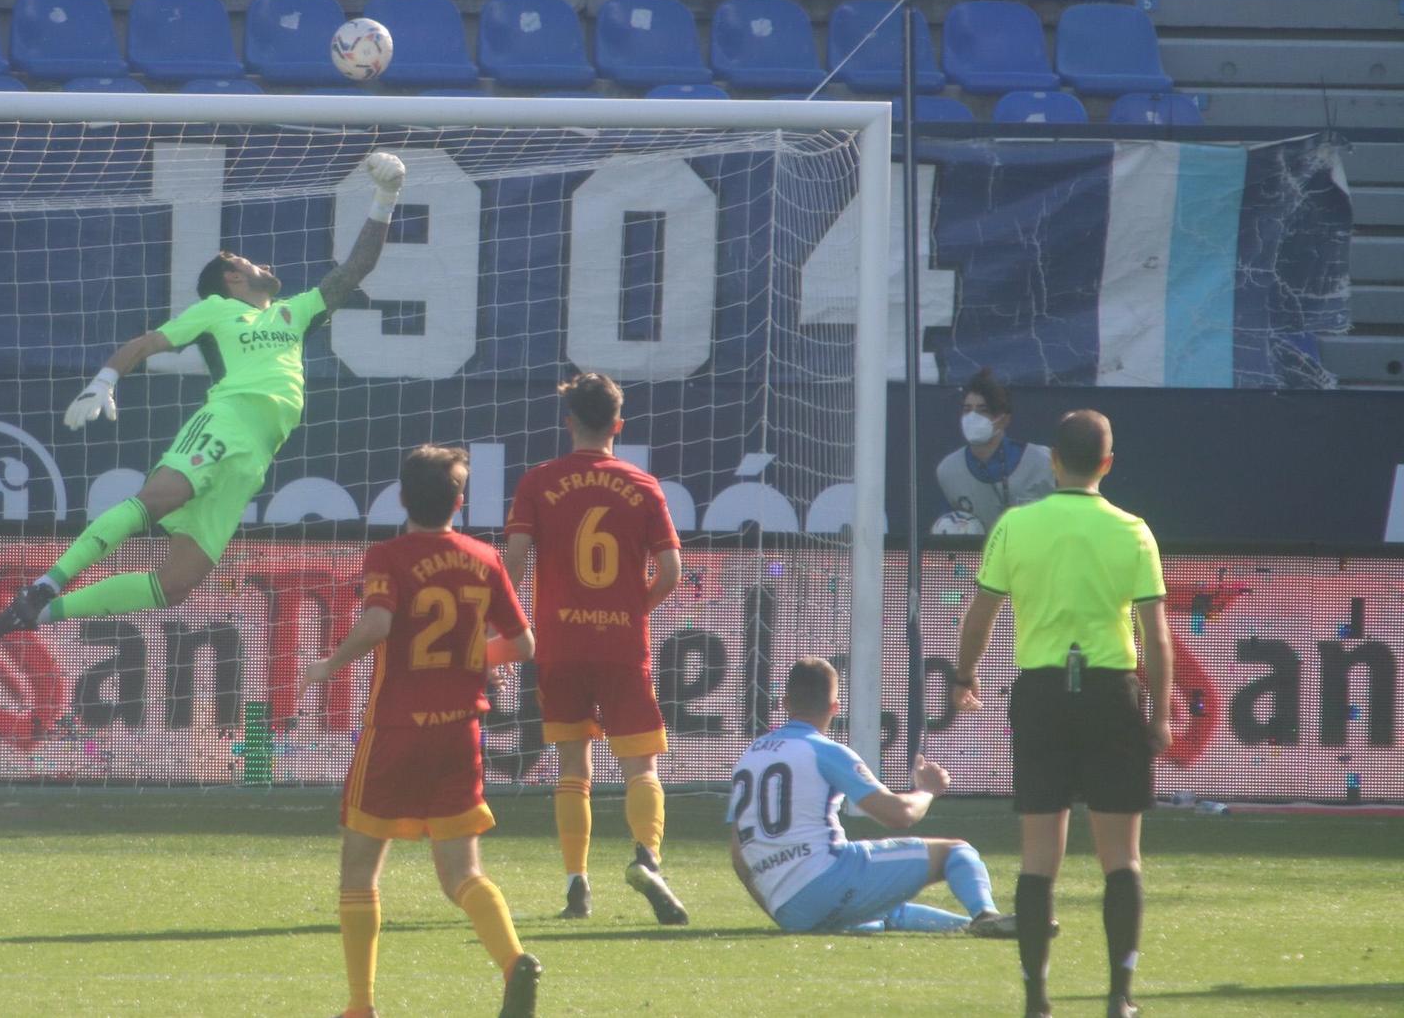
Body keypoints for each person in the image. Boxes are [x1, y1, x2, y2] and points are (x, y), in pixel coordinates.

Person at [0, 151, 408, 643]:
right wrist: (103, 381)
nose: (265, 265)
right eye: (251, 262)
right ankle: (46, 582)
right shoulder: (216, 310)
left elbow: (354, 269)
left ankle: (42, 613)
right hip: (226, 420)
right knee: (161, 497)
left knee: (174, 586)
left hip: (255, 457)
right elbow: (148, 342)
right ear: (232, 276)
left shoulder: (296, 313)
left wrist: (386, 197)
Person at [299, 445, 543, 1018]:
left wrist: (328, 665)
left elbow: (379, 622)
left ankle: (361, 1005)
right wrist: (479, 656)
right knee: (463, 874)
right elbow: (525, 645)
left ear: (402, 498)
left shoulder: (388, 555)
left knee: (359, 867)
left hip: (395, 731)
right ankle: (513, 961)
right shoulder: (486, 558)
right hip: (461, 733)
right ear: (460, 502)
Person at [954, 408, 1173, 1018]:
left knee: (1037, 858)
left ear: (1052, 462)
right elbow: (1157, 638)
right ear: (1107, 463)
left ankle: (1036, 1000)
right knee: (1122, 860)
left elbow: (980, 615)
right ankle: (1119, 997)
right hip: (1111, 694)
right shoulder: (1133, 530)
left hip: (1043, 695)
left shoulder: (1016, 526)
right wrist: (1158, 714)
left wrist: (964, 677)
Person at [503, 372, 688, 925]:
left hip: (558, 647)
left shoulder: (538, 481)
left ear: (569, 424)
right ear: (618, 425)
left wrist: (508, 623)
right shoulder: (644, 484)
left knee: (571, 772)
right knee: (641, 768)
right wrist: (632, 610)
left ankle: (576, 885)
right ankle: (647, 858)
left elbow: (511, 563)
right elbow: (672, 572)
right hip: (622, 646)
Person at [727, 658, 1022, 939]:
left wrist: (779, 909)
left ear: (785, 703)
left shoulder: (748, 756)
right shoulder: (826, 751)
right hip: (827, 881)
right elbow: (899, 815)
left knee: (884, 910)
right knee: (956, 853)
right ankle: (986, 916)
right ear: (834, 707)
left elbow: (739, 853)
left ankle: (977, 930)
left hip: (789, 909)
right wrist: (927, 790)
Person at [934, 368, 1054, 534]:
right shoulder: (948, 470)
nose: (972, 417)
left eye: (983, 410)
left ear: (1003, 419)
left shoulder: (1043, 463)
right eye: (967, 409)